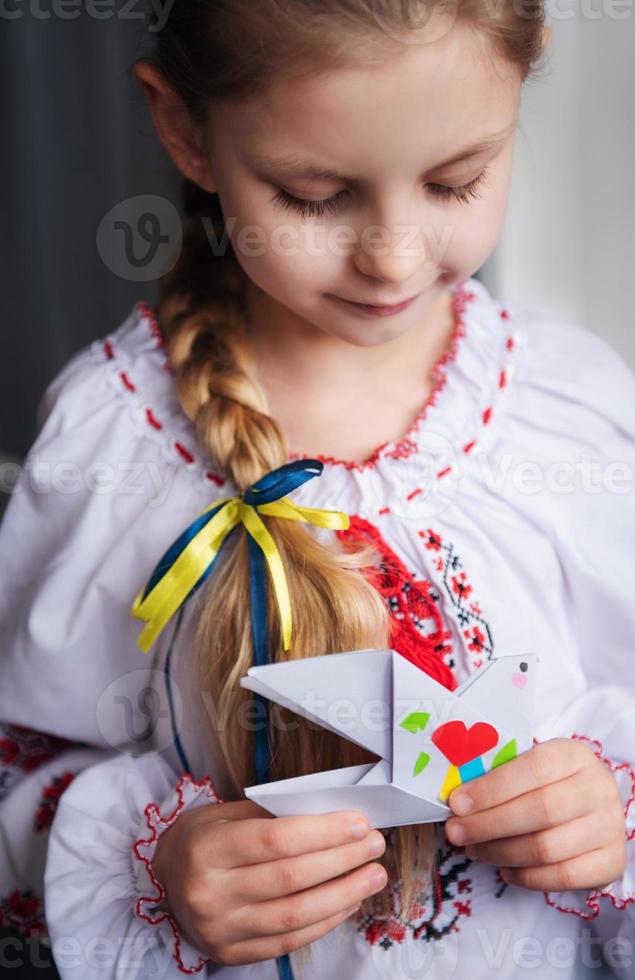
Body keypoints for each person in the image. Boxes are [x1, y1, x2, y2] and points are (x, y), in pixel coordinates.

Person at [1, 1, 634, 978]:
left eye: (453, 180)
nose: (392, 253)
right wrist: (161, 864)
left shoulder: (570, 409)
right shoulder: (107, 442)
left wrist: (610, 809)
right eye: (311, 194)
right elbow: (24, 762)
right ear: (184, 130)